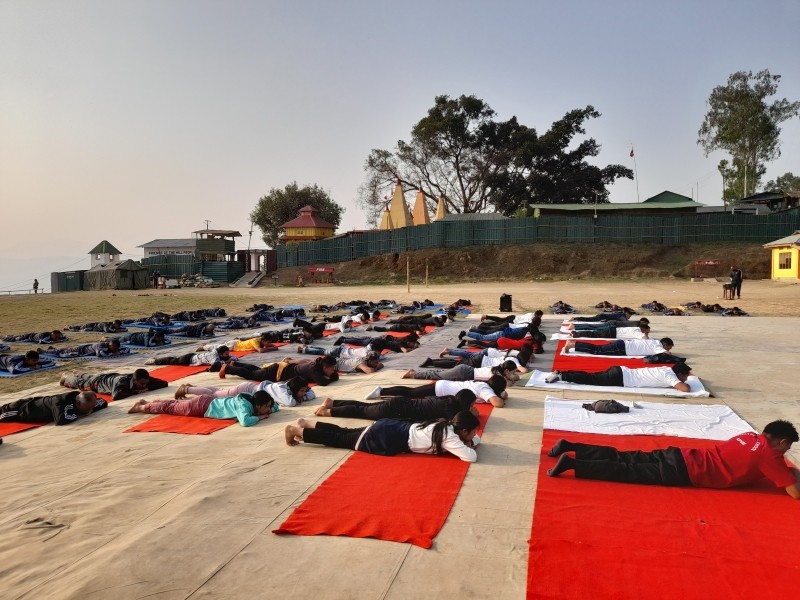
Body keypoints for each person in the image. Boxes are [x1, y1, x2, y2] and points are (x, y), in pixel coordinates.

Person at [546, 420, 800, 499]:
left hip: (681, 455)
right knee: (624, 471)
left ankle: (571, 446)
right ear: (782, 442)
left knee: (623, 457)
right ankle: (572, 464)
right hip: (686, 471)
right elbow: (794, 493)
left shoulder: (749, 435)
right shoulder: (771, 455)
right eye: (787, 447)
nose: (786, 452)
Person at [284, 410, 481, 463]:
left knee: (343, 432)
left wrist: (471, 440)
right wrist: (470, 444)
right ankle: (297, 431)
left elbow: (475, 441)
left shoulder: (446, 426)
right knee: (340, 439)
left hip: (393, 428)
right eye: (472, 432)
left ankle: (307, 424)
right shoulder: (451, 438)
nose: (474, 435)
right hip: (388, 437)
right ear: (463, 431)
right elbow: (470, 457)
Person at [128, 390, 276, 427]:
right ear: (258, 406)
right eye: (267, 407)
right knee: (171, 408)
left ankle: (148, 402)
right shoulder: (244, 405)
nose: (268, 410)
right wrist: (259, 417)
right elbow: (245, 422)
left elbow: (273, 406)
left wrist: (272, 408)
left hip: (207, 402)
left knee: (174, 405)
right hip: (201, 407)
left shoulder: (252, 398)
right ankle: (142, 407)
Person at [313, 389, 477, 421]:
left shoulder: (449, 399)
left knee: (364, 407)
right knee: (362, 412)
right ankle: (327, 412)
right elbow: (461, 421)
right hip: (396, 409)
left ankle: (333, 403)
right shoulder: (451, 411)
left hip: (402, 404)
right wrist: (471, 413)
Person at [365, 374, 508, 408]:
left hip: (443, 387)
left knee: (412, 394)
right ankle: (381, 391)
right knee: (411, 393)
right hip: (440, 389)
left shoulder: (485, 384)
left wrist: (501, 393)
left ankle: (382, 391)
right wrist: (500, 395)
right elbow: (498, 403)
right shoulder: (485, 388)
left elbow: (502, 396)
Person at [545, 363, 692, 392]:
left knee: (592, 376)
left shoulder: (667, 369)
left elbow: (681, 375)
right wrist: (686, 384)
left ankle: (561, 372)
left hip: (621, 370)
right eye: (685, 376)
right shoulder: (670, 377)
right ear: (679, 374)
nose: (685, 379)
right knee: (591, 379)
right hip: (620, 378)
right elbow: (685, 389)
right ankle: (562, 375)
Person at [173, 376, 313, 407]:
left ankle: (192, 387)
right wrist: (300, 399)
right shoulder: (282, 389)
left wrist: (304, 394)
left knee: (219, 390)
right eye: (301, 391)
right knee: (214, 395)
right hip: (246, 389)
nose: (303, 393)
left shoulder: (288, 389)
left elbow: (312, 394)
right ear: (294, 389)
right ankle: (186, 389)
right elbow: (290, 403)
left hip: (249, 388)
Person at [220, 355, 339, 386]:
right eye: (332, 369)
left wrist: (292, 361)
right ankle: (229, 368)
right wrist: (332, 378)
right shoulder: (314, 369)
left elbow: (304, 360)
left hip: (281, 367)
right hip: (277, 372)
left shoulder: (317, 363)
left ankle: (235, 363)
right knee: (252, 375)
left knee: (257, 370)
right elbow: (322, 382)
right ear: (325, 367)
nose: (333, 371)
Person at [0, 390, 107, 425]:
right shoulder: (61, 402)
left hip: (33, 404)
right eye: (87, 408)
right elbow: (61, 420)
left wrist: (90, 409)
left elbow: (103, 402)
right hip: (19, 410)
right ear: (78, 403)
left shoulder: (85, 401)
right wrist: (79, 414)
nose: (90, 410)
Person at [60, 368, 168, 401]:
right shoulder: (122, 383)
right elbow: (116, 396)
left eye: (146, 383)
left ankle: (79, 373)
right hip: (97, 384)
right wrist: (135, 392)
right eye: (142, 384)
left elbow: (164, 383)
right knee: (79, 384)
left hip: (107, 376)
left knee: (89, 376)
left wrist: (147, 389)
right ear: (134, 381)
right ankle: (66, 377)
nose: (144, 385)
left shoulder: (142, 378)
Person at [401, 360, 520, 386]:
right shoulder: (497, 374)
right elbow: (508, 384)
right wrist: (511, 378)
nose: (514, 374)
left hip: (465, 371)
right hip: (464, 373)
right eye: (512, 372)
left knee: (440, 373)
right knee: (437, 376)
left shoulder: (498, 370)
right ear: (507, 371)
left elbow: (516, 378)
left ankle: (415, 372)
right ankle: (413, 375)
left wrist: (511, 376)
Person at [299, 345, 384, 374]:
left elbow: (380, 364)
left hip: (338, 358)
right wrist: (377, 367)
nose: (377, 363)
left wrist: (377, 366)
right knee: (311, 363)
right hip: (335, 362)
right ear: (369, 361)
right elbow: (369, 371)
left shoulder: (364, 360)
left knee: (322, 352)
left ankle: (306, 349)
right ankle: (294, 359)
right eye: (375, 362)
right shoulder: (361, 362)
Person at [563, 337, 673, 356]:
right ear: (665, 344)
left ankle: (573, 343)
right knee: (597, 350)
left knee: (598, 348)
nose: (668, 349)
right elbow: (666, 353)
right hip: (622, 348)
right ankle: (572, 344)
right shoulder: (657, 346)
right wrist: (669, 353)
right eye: (669, 347)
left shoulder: (653, 341)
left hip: (623, 344)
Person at [143, 345, 233, 368]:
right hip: (188, 360)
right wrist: (226, 362)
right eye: (226, 354)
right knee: (172, 361)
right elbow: (215, 363)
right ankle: (154, 361)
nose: (227, 355)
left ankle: (156, 360)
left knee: (173, 359)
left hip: (193, 356)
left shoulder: (217, 351)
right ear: (220, 354)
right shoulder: (214, 356)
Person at [40, 339, 128, 359]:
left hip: (86, 348)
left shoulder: (116, 347)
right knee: (62, 352)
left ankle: (52, 348)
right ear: (109, 345)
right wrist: (113, 354)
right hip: (81, 350)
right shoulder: (101, 345)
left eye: (116, 348)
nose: (115, 349)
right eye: (114, 347)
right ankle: (44, 351)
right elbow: (100, 354)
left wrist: (119, 352)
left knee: (64, 349)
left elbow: (127, 350)